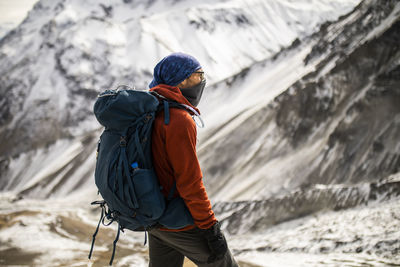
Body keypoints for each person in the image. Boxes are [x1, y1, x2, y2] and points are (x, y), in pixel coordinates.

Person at [148, 52, 238, 267]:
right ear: (183, 79)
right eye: (199, 74)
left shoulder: (151, 110)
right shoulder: (178, 120)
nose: (203, 80)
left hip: (154, 217)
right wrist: (210, 227)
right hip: (178, 220)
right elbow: (189, 181)